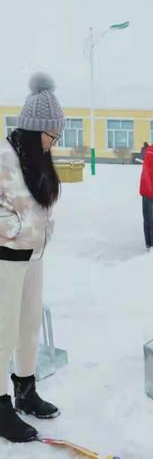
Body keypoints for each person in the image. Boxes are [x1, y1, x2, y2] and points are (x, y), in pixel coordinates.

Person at [0, 72, 64, 443]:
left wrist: (41, 229)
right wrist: (17, 226)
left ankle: (25, 389)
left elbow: (40, 209)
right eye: (50, 135)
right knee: (3, 331)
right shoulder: (4, 157)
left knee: (27, 328)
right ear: (33, 128)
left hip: (33, 259)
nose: (53, 143)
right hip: (6, 258)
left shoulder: (36, 161)